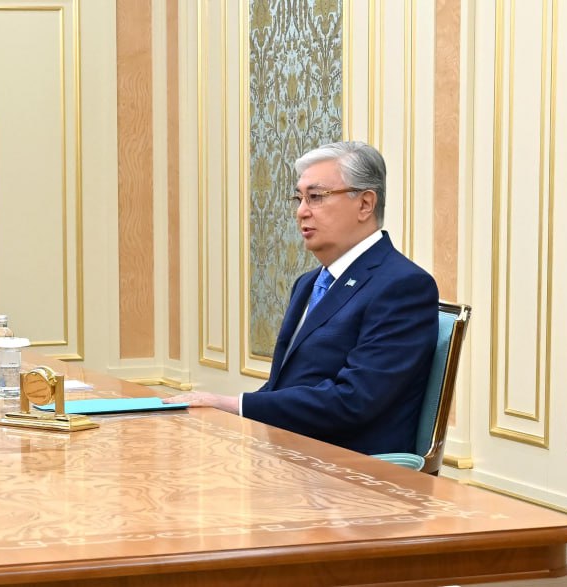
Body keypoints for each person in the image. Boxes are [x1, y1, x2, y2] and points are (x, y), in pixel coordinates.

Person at [168, 140, 438, 455]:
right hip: (288, 452)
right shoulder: (309, 282)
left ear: (365, 204)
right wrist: (227, 413)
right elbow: (284, 386)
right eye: (299, 198)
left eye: (316, 197)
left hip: (348, 468)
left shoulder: (403, 286)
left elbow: (354, 400)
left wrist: (233, 404)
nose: (301, 212)